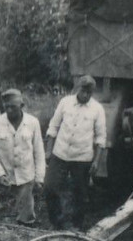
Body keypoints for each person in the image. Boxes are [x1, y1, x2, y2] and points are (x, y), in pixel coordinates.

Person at [44, 75, 107, 230]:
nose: (85, 95)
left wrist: (96, 161)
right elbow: (53, 127)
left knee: (80, 194)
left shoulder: (97, 109)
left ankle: (76, 225)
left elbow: (101, 138)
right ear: (78, 88)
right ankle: (57, 222)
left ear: (92, 92)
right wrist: (49, 151)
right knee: (50, 187)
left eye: (89, 92)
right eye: (83, 91)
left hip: (82, 158)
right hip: (60, 153)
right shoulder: (65, 102)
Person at [0, 89, 45, 226]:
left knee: (27, 217)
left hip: (25, 175)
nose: (9, 110)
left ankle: (25, 226)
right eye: (6, 107)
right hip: (0, 172)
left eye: (13, 107)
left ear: (21, 106)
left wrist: (39, 178)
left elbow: (39, 152)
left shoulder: (33, 122)